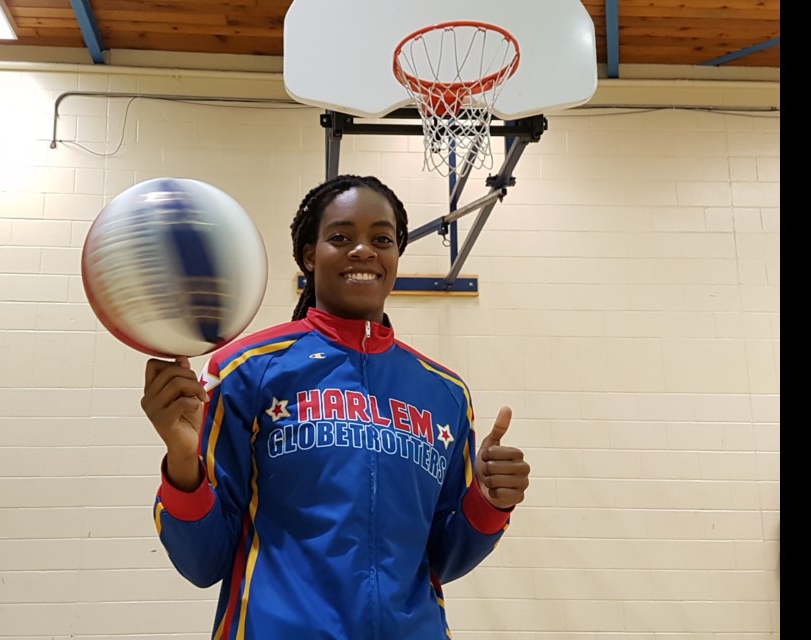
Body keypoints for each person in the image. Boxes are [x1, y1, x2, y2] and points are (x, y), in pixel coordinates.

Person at [141, 174, 530, 639]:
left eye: (381, 239)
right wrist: (184, 463)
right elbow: (203, 561)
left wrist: (489, 501)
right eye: (341, 237)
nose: (363, 251)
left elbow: (442, 557)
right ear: (310, 255)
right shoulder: (247, 369)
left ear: (396, 255)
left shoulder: (445, 392)